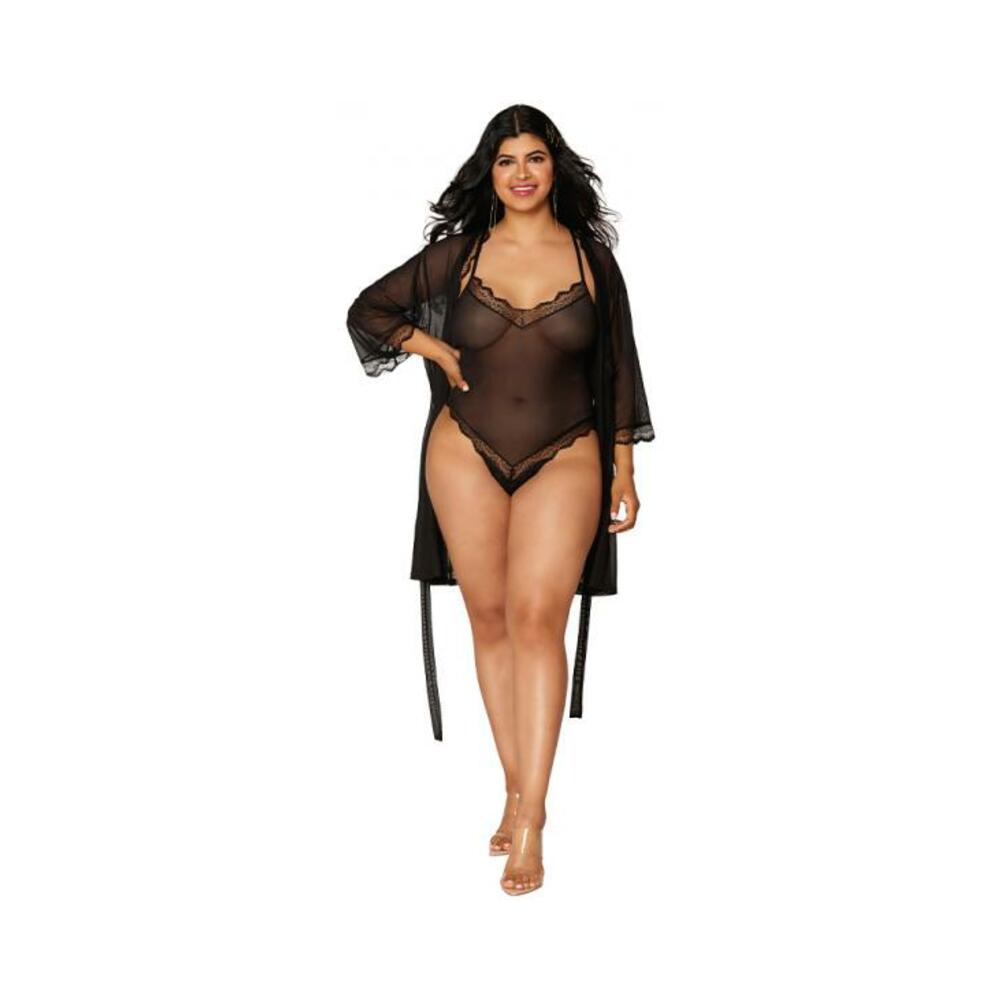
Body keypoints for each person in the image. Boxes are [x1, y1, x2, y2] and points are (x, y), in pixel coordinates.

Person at [346, 105, 654, 895]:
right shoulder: (457, 256)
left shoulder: (591, 259)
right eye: (506, 160)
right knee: (487, 617)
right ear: (490, 172)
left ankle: (534, 819)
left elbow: (619, 363)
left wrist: (623, 467)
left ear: (555, 168)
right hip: (463, 452)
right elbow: (369, 311)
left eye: (535, 158)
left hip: (569, 450)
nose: (521, 173)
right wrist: (429, 344)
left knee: (536, 617)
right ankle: (514, 788)